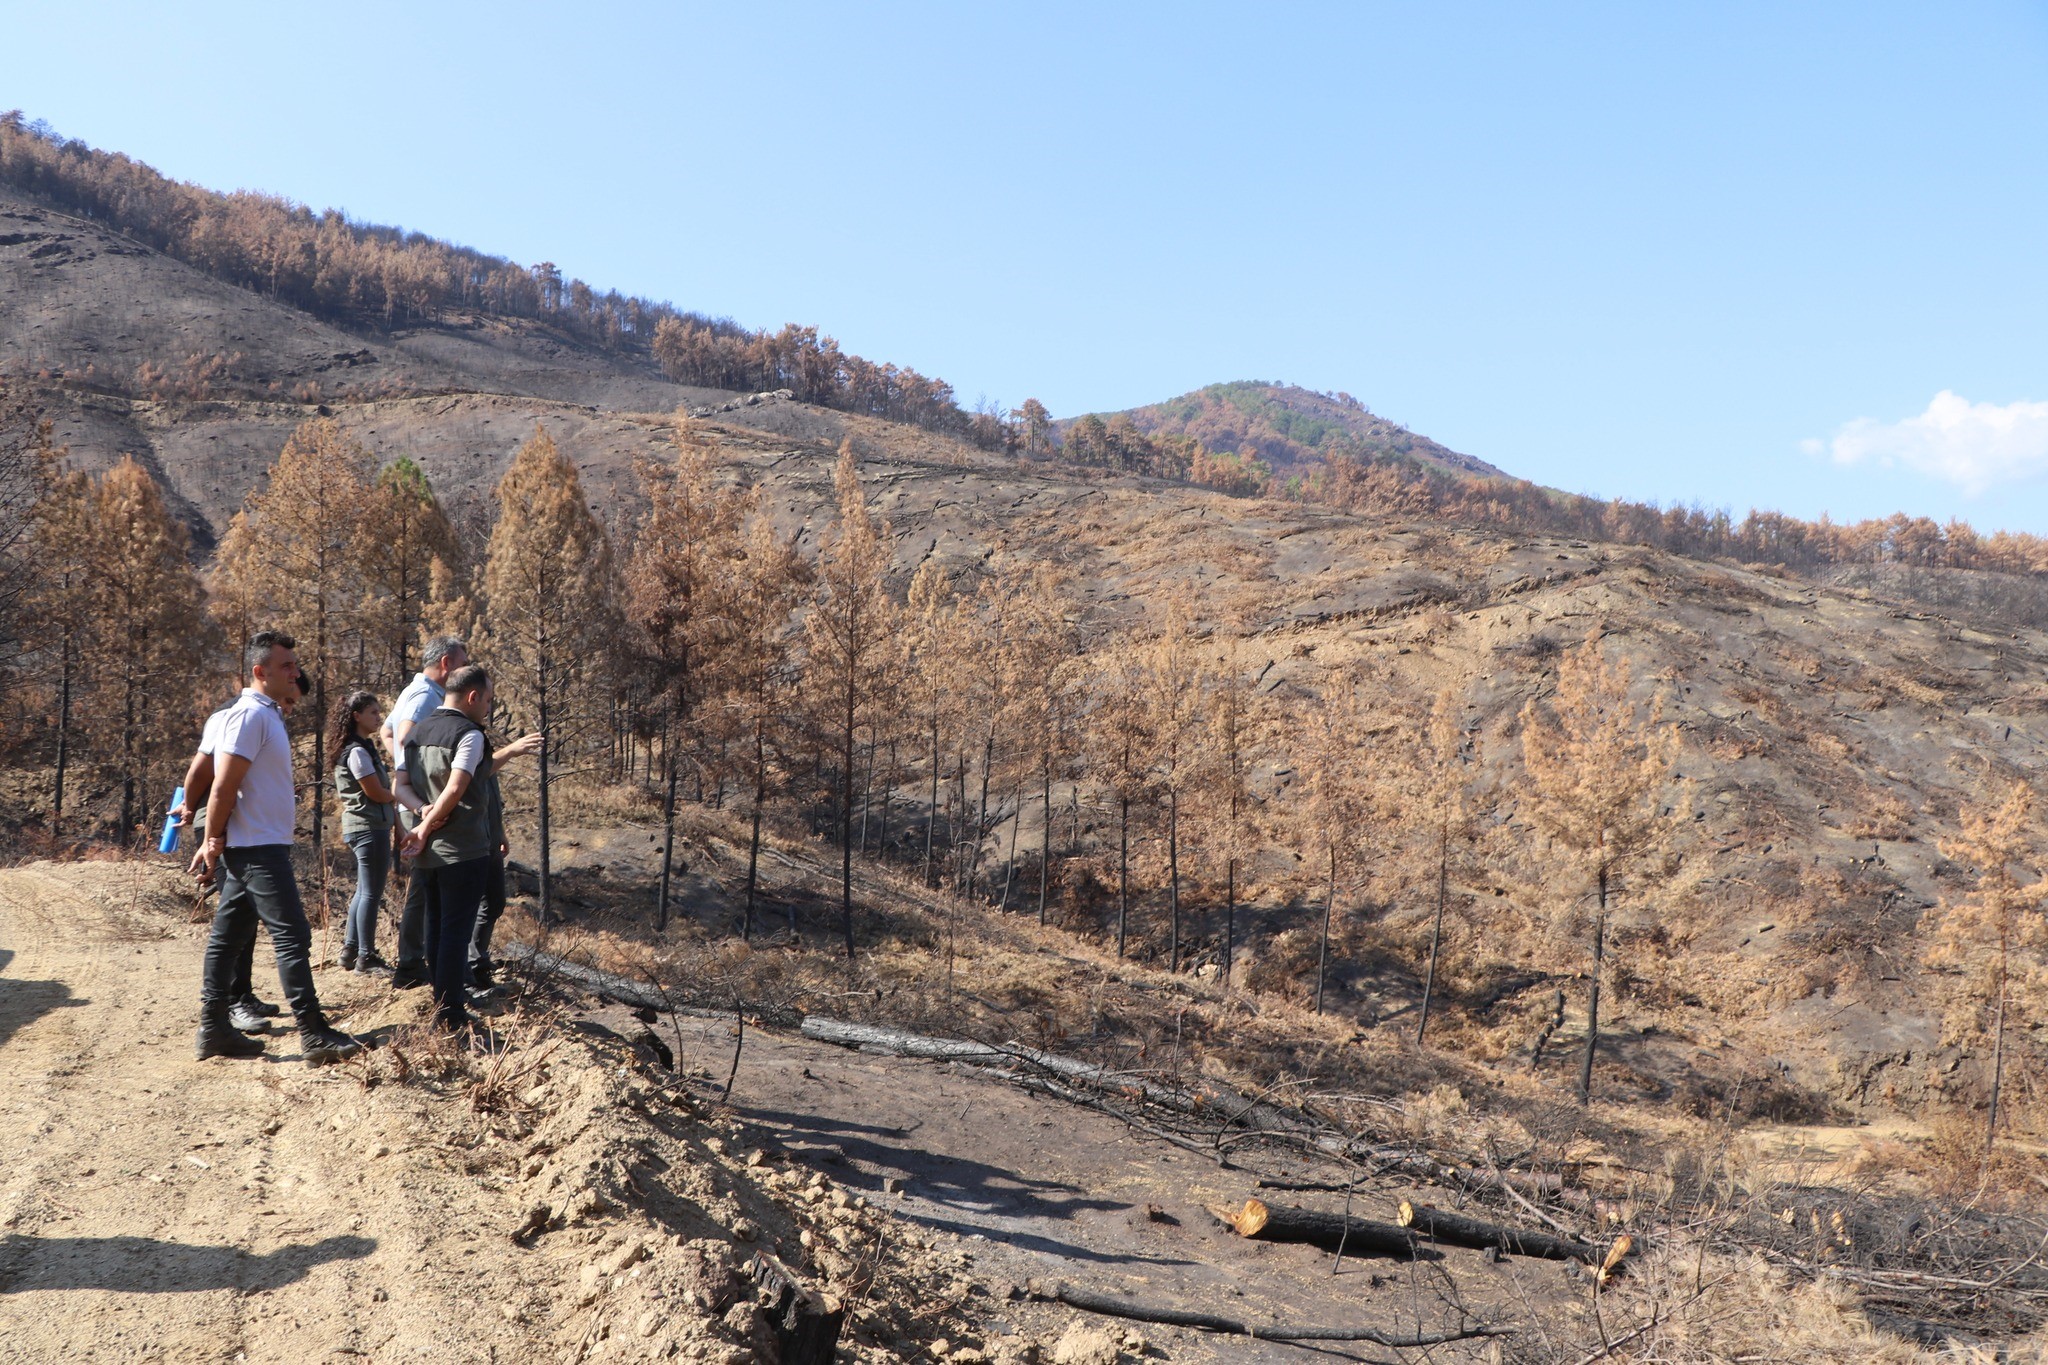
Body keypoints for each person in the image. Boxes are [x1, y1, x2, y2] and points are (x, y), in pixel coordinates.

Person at [193, 630, 370, 1066]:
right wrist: (212, 840)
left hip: (259, 845)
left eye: (294, 663)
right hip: (256, 849)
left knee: (227, 936)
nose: (296, 672)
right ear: (260, 672)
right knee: (293, 934)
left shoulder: (267, 715)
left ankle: (214, 1029)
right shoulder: (249, 717)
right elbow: (222, 786)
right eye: (287, 666)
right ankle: (313, 1034)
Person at [395, 665, 539, 1035]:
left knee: (436, 928)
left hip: (426, 851)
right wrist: (428, 824)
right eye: (488, 700)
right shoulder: (469, 734)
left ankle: (441, 1004)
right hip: (463, 849)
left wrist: (420, 813)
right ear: (472, 697)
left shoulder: (416, 731)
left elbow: (401, 786)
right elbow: (457, 787)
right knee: (455, 933)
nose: (489, 708)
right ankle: (450, 1015)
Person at [172, 689, 284, 1035]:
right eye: (289, 700)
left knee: (245, 919)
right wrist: (192, 809)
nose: (288, 709)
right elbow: (199, 770)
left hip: (237, 825)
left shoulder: (259, 717)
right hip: (220, 825)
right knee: (234, 919)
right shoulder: (232, 717)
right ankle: (232, 1003)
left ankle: (243, 994)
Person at [383, 636, 469, 990]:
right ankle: (411, 963)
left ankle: (416, 959)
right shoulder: (424, 696)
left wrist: (404, 773)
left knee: (424, 882)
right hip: (421, 803)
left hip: (415, 801)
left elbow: (387, 732)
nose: (466, 670)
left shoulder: (412, 691)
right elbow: (402, 737)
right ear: (447, 663)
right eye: (463, 662)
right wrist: (416, 784)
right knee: (424, 884)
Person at [330, 691, 397, 974]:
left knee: (363, 891)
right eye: (373, 712)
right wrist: (399, 792)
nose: (378, 717)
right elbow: (376, 793)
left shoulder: (360, 748)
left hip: (365, 827)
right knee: (371, 893)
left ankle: (350, 950)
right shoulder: (356, 751)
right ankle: (366, 957)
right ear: (356, 716)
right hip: (368, 827)